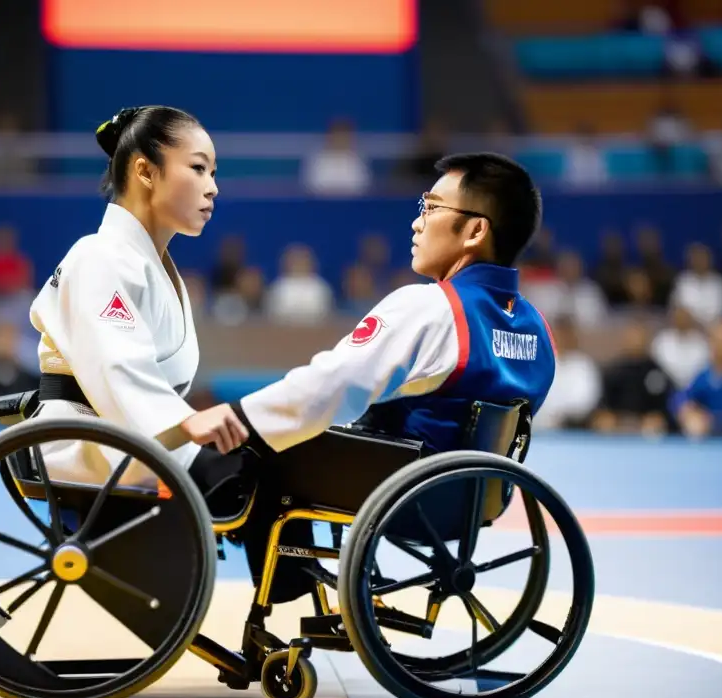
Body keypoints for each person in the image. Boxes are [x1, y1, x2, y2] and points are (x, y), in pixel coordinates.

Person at [182, 153, 556, 602]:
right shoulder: (536, 328)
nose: (418, 223)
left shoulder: (430, 307)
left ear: (475, 230)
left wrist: (237, 416)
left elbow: (332, 388)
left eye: (432, 208)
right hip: (471, 501)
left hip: (400, 489)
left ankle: (270, 575)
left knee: (243, 448)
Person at [28, 105, 248, 493]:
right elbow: (116, 362)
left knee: (274, 454)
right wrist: (179, 423)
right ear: (145, 172)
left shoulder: (153, 266)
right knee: (257, 476)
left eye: (213, 173)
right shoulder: (98, 255)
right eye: (198, 168)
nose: (212, 187)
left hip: (138, 437)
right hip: (89, 444)